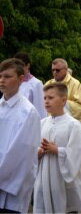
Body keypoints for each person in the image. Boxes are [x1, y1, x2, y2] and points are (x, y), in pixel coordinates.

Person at [34, 83, 81, 213]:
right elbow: (33, 148)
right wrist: (38, 152)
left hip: (63, 182)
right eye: (45, 98)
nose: (46, 101)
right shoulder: (42, 123)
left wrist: (58, 150)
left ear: (63, 100)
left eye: (51, 98)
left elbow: (80, 152)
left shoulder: (73, 125)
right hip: (45, 178)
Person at [0, 58, 41, 213]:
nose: (2, 80)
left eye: (7, 76)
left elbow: (20, 154)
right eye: (0, 76)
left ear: (21, 79)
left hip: (13, 188)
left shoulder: (28, 112)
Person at [45, 58, 81, 132]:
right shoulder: (48, 84)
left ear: (65, 69)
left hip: (69, 128)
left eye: (58, 70)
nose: (55, 72)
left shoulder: (75, 84)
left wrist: (61, 102)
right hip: (51, 124)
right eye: (53, 70)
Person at [13, 52, 47, 118]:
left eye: (20, 66)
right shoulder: (13, 82)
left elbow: (40, 110)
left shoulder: (36, 83)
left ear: (28, 65)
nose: (17, 69)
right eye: (15, 66)